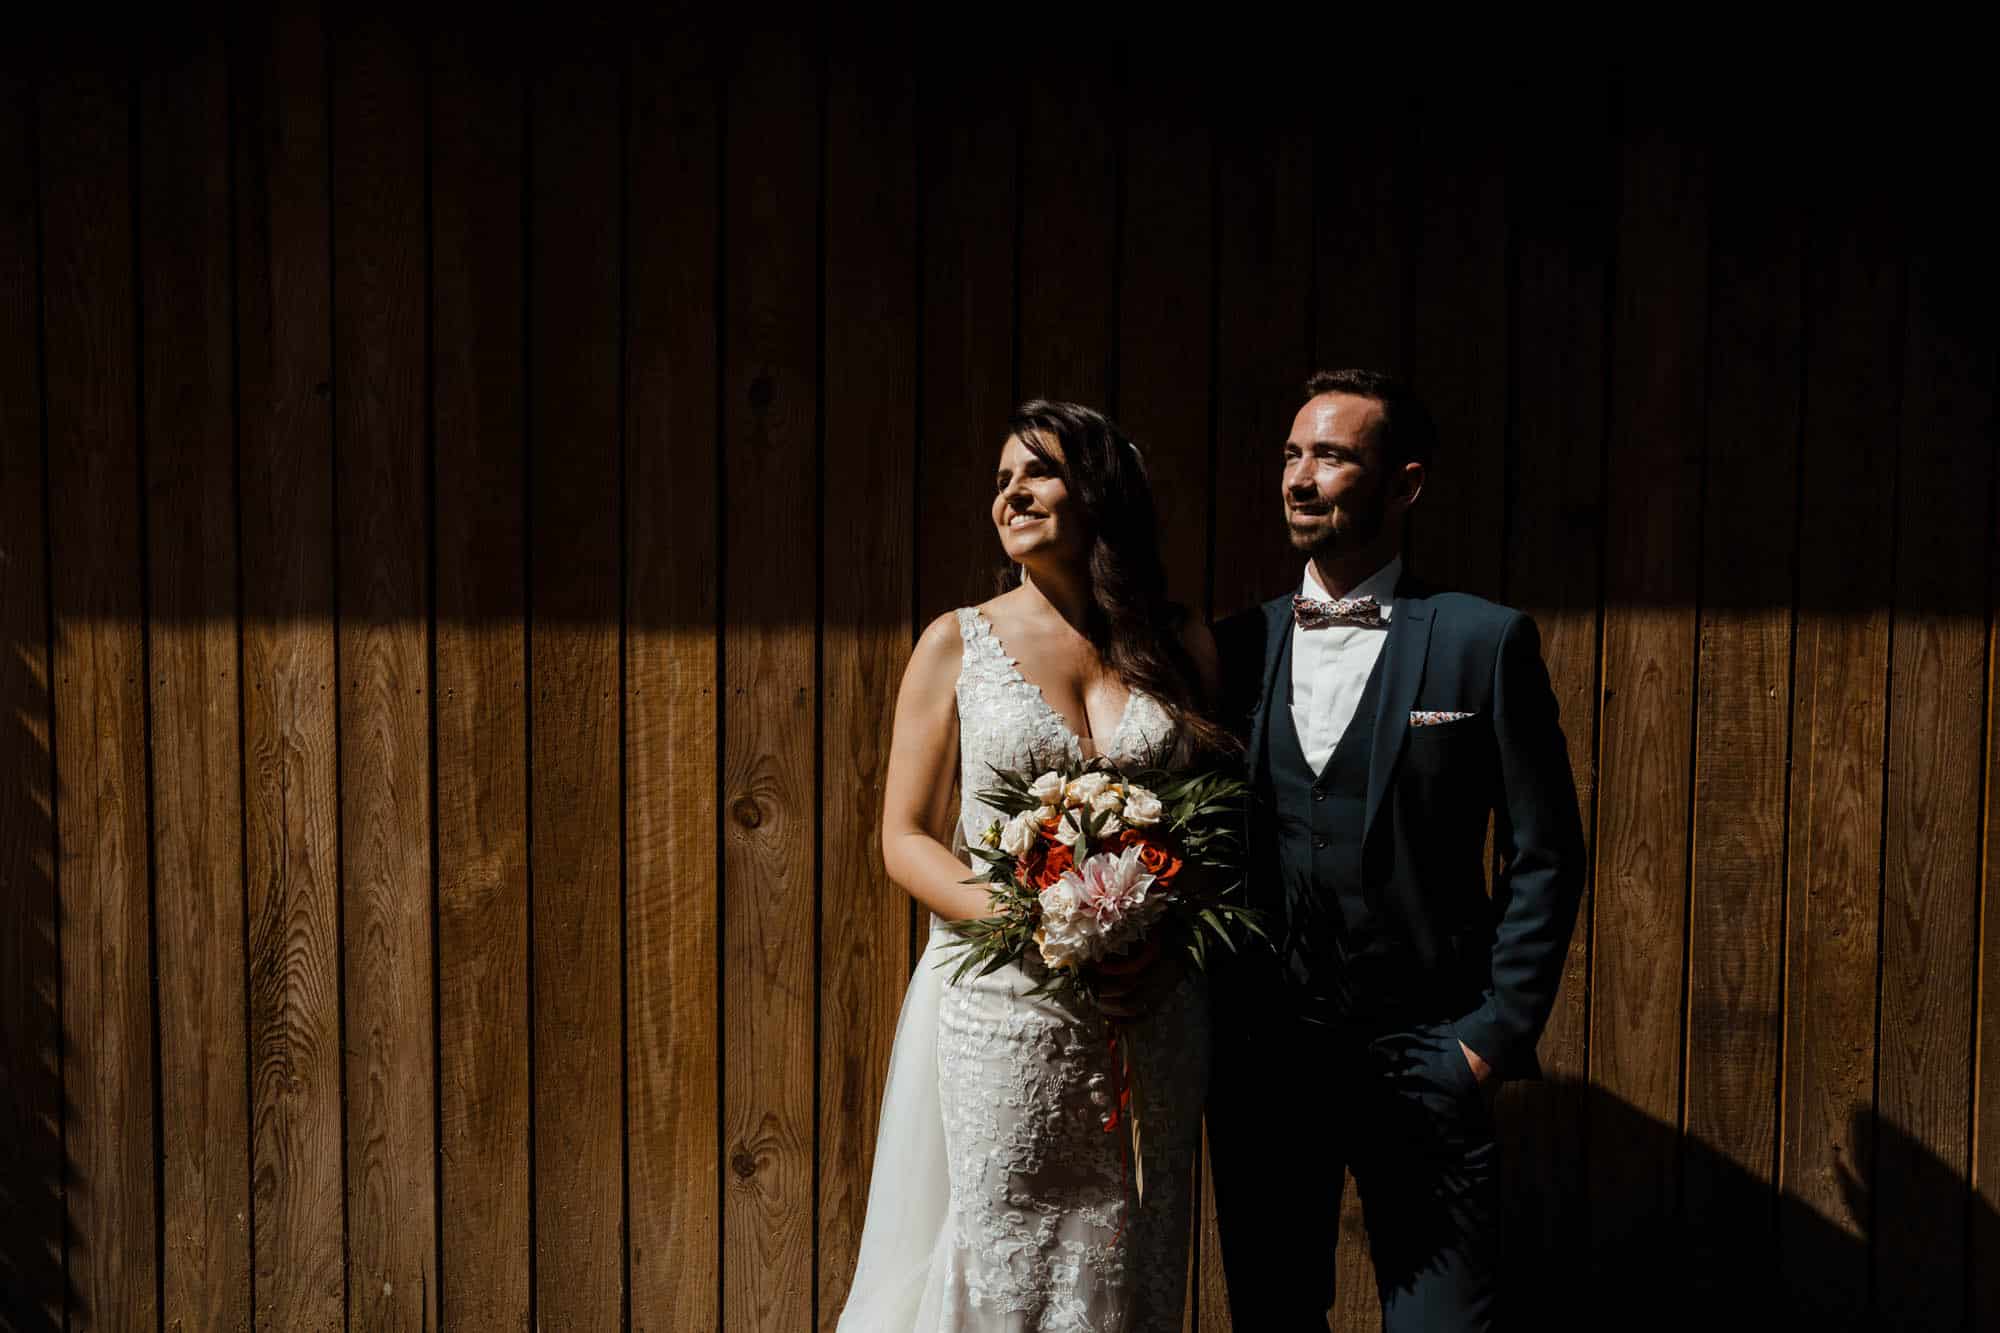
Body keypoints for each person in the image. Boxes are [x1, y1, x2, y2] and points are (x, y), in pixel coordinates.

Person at [836, 400, 1231, 1332]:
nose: (1010, 492)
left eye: (1036, 471)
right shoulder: (956, 642)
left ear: (1096, 489)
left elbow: (1217, 833)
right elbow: (904, 835)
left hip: (1152, 1007)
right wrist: (1041, 923)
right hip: (1007, 1007)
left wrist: (1152, 936)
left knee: (1137, 1248)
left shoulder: (1181, 644)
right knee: (1007, 1249)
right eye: (1001, 479)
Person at [1207, 369, 1587, 1331]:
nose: (1300, 477)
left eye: (1331, 455)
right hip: (1268, 1058)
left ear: (1405, 485)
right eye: (1292, 453)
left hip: (1428, 1049)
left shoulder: (1483, 640)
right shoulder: (1232, 648)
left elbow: (1545, 853)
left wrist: (1489, 1036)